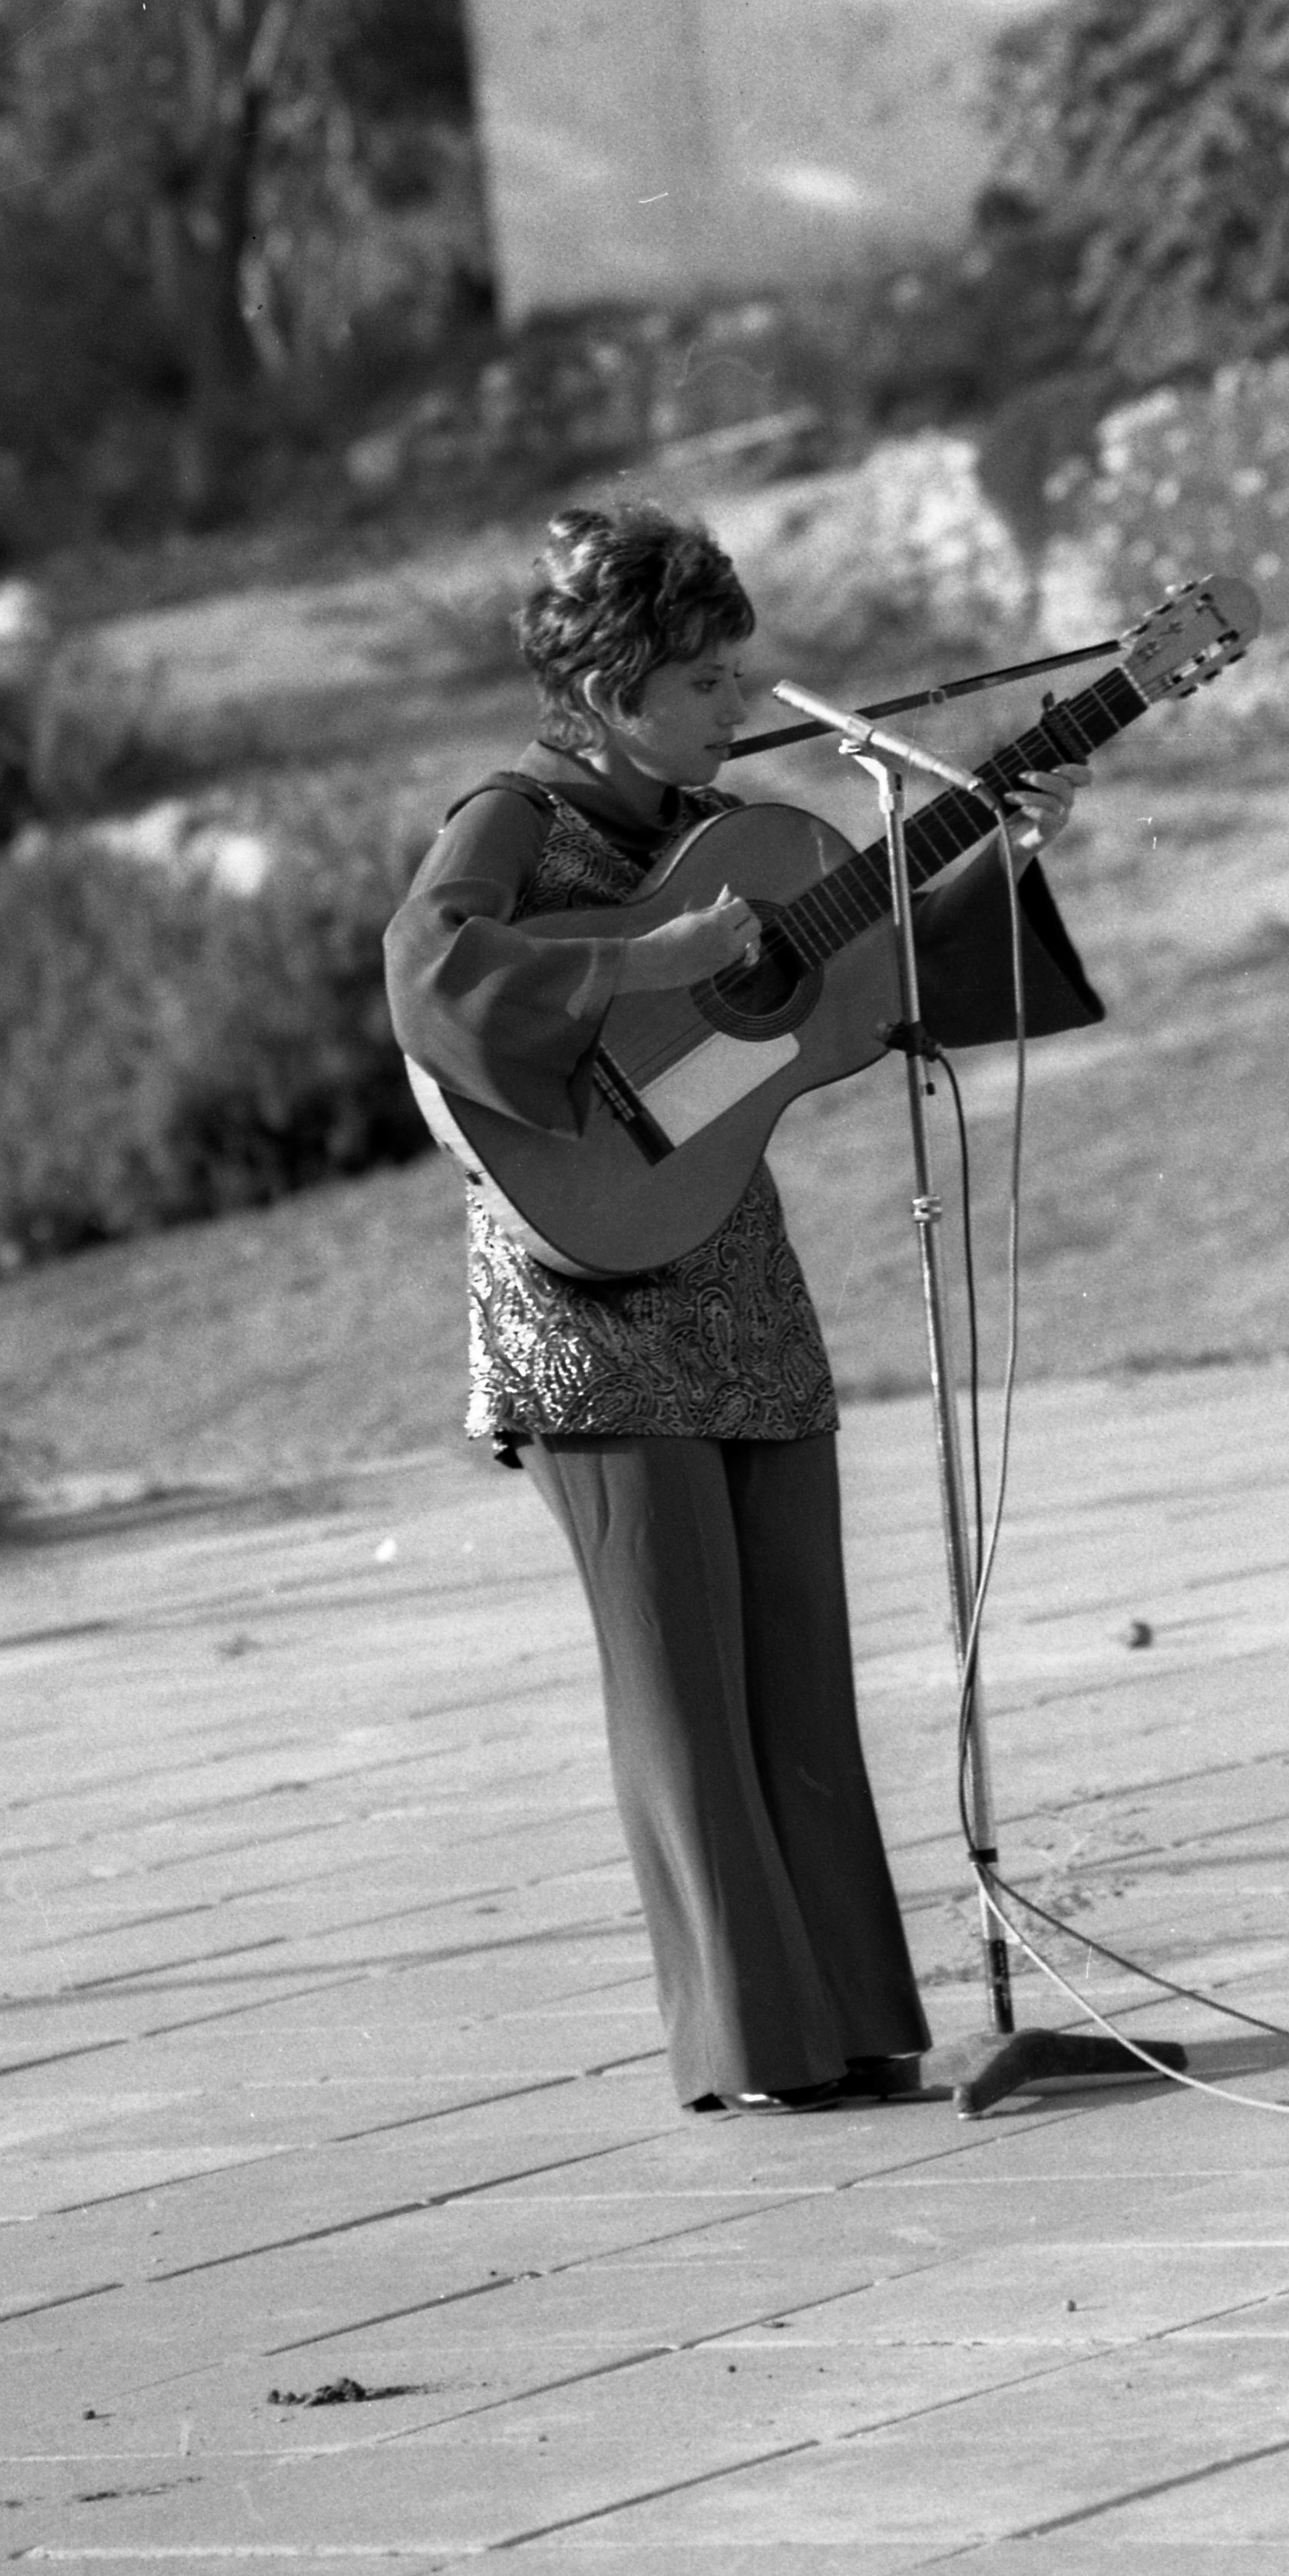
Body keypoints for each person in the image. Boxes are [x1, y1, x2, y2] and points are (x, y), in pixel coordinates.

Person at [382, 503, 1100, 2115]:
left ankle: (851, 2027)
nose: (733, 706)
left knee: (795, 1664)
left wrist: (1000, 845)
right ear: (613, 679)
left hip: (733, 1266)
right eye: (703, 680)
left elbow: (848, 994)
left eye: (732, 677)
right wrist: (649, 958)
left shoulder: (746, 828)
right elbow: (428, 978)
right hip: (582, 1299)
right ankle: (745, 2046)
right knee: (682, 1687)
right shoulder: (504, 816)